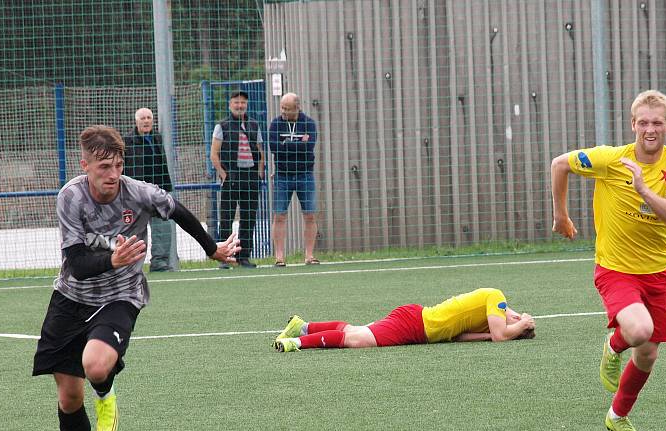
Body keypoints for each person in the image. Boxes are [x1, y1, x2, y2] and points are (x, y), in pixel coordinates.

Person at [33, 126, 240, 431]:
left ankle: (106, 391)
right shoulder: (70, 198)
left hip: (121, 294)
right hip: (70, 297)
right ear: (85, 166)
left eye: (117, 165)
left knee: (96, 365)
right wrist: (113, 258)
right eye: (103, 167)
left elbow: (178, 210)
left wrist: (212, 249)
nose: (112, 174)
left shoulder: (139, 192)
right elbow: (76, 263)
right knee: (68, 396)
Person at [551, 90, 666, 431]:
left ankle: (618, 416)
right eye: (643, 122)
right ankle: (614, 347)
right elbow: (559, 164)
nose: (650, 129)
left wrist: (643, 188)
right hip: (615, 270)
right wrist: (561, 215)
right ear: (632, 125)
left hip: (656, 271)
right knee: (640, 330)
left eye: (657, 122)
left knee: (648, 353)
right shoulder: (610, 159)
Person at [273, 288, 535, 352]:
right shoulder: (497, 298)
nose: (512, 320)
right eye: (513, 317)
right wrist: (523, 323)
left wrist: (487, 336)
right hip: (414, 323)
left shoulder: (487, 321)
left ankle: (302, 326)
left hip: (416, 324)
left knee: (356, 331)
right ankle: (296, 342)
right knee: (356, 340)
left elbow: (457, 336)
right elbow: (502, 337)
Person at [210, 90, 265, 268]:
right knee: (226, 218)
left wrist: (260, 171)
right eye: (236, 102)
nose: (240, 105)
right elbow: (214, 154)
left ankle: (244, 257)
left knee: (248, 218)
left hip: (250, 177)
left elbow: (260, 150)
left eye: (243, 102)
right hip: (231, 176)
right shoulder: (222, 126)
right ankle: (225, 258)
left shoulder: (254, 125)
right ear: (230, 104)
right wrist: (223, 173)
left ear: (246, 105)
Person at [268, 92, 318, 266]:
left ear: (297, 108)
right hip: (282, 175)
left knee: (310, 215)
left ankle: (309, 255)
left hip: (305, 174)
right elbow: (274, 148)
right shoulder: (275, 124)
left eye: (287, 109)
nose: (283, 111)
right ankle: (279, 256)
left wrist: (286, 145)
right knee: (279, 216)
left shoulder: (309, 124)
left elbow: (309, 147)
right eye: (282, 107)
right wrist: (298, 143)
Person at [123, 107, 177, 271]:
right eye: (143, 118)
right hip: (136, 194)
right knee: (133, 231)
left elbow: (163, 165)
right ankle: (130, 265)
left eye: (149, 118)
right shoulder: (127, 142)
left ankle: (160, 263)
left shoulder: (157, 139)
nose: (146, 121)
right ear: (136, 121)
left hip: (157, 191)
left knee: (163, 228)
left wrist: (166, 188)